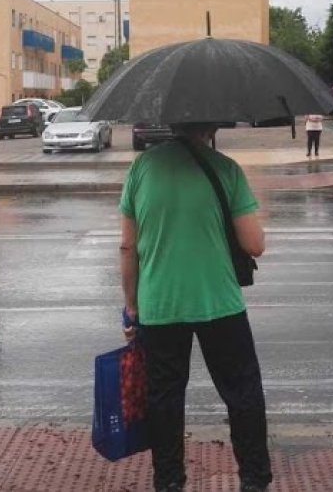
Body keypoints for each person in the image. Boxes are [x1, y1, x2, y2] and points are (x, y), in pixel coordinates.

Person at [119, 123, 272, 492]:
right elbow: (254, 245)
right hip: (219, 302)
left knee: (165, 397)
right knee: (242, 391)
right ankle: (253, 479)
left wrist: (131, 307)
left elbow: (127, 247)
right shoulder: (226, 169)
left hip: (159, 304)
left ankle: (169, 482)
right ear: (213, 124)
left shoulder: (141, 168)